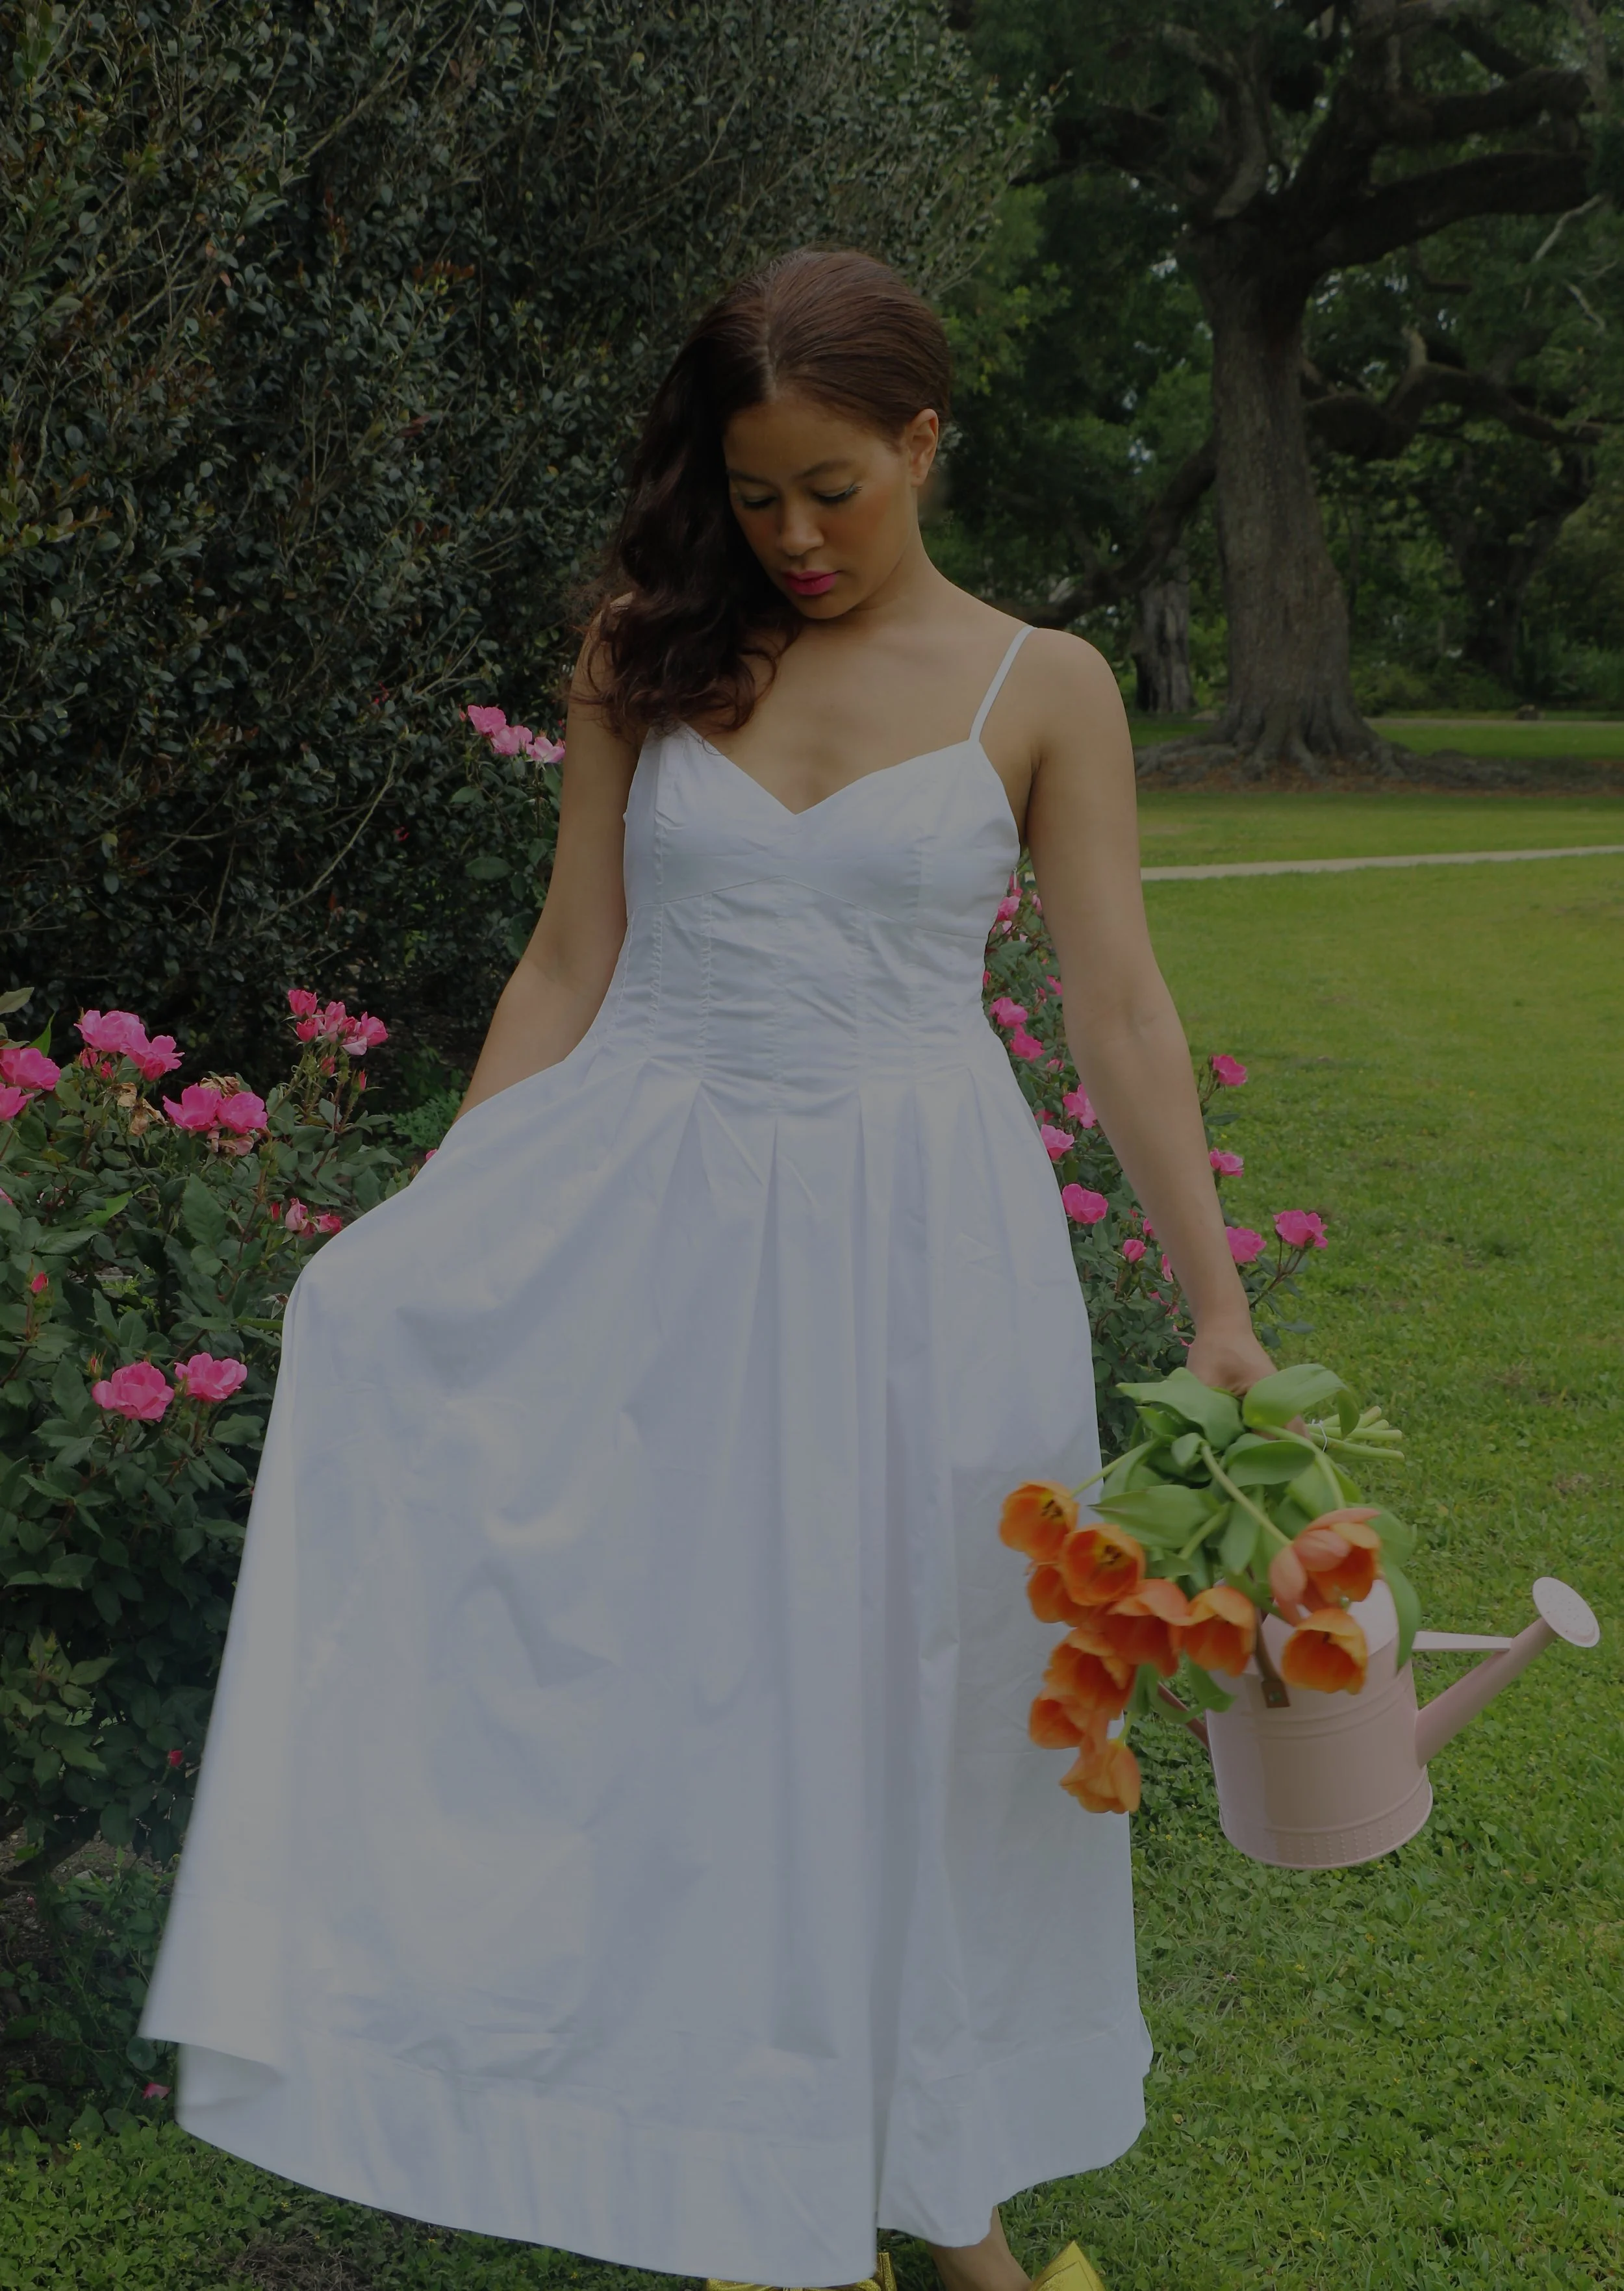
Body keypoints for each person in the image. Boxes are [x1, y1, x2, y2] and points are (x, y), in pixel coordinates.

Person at [139, 248, 1274, 2291]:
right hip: (652, 1215)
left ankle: (946, 2206)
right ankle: (743, 2176)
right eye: (754, 495)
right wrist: (447, 1213)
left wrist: (1217, 1304)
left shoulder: (1042, 686)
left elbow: (1113, 1005)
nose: (793, 537)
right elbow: (571, 958)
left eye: (832, 488)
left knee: (925, 1706)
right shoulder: (646, 650)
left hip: (922, 1243)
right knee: (673, 1692)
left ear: (923, 442)